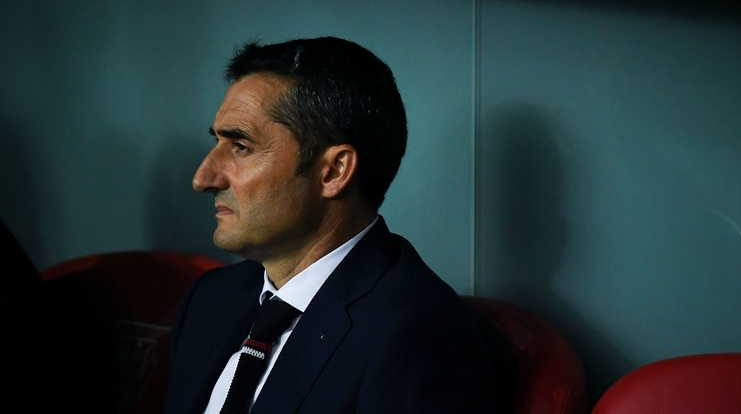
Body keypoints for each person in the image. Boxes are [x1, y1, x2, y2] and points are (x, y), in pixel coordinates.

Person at [164, 37, 501, 414]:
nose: (203, 178)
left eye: (241, 147)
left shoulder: (418, 332)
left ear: (334, 171)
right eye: (217, 142)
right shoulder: (211, 297)